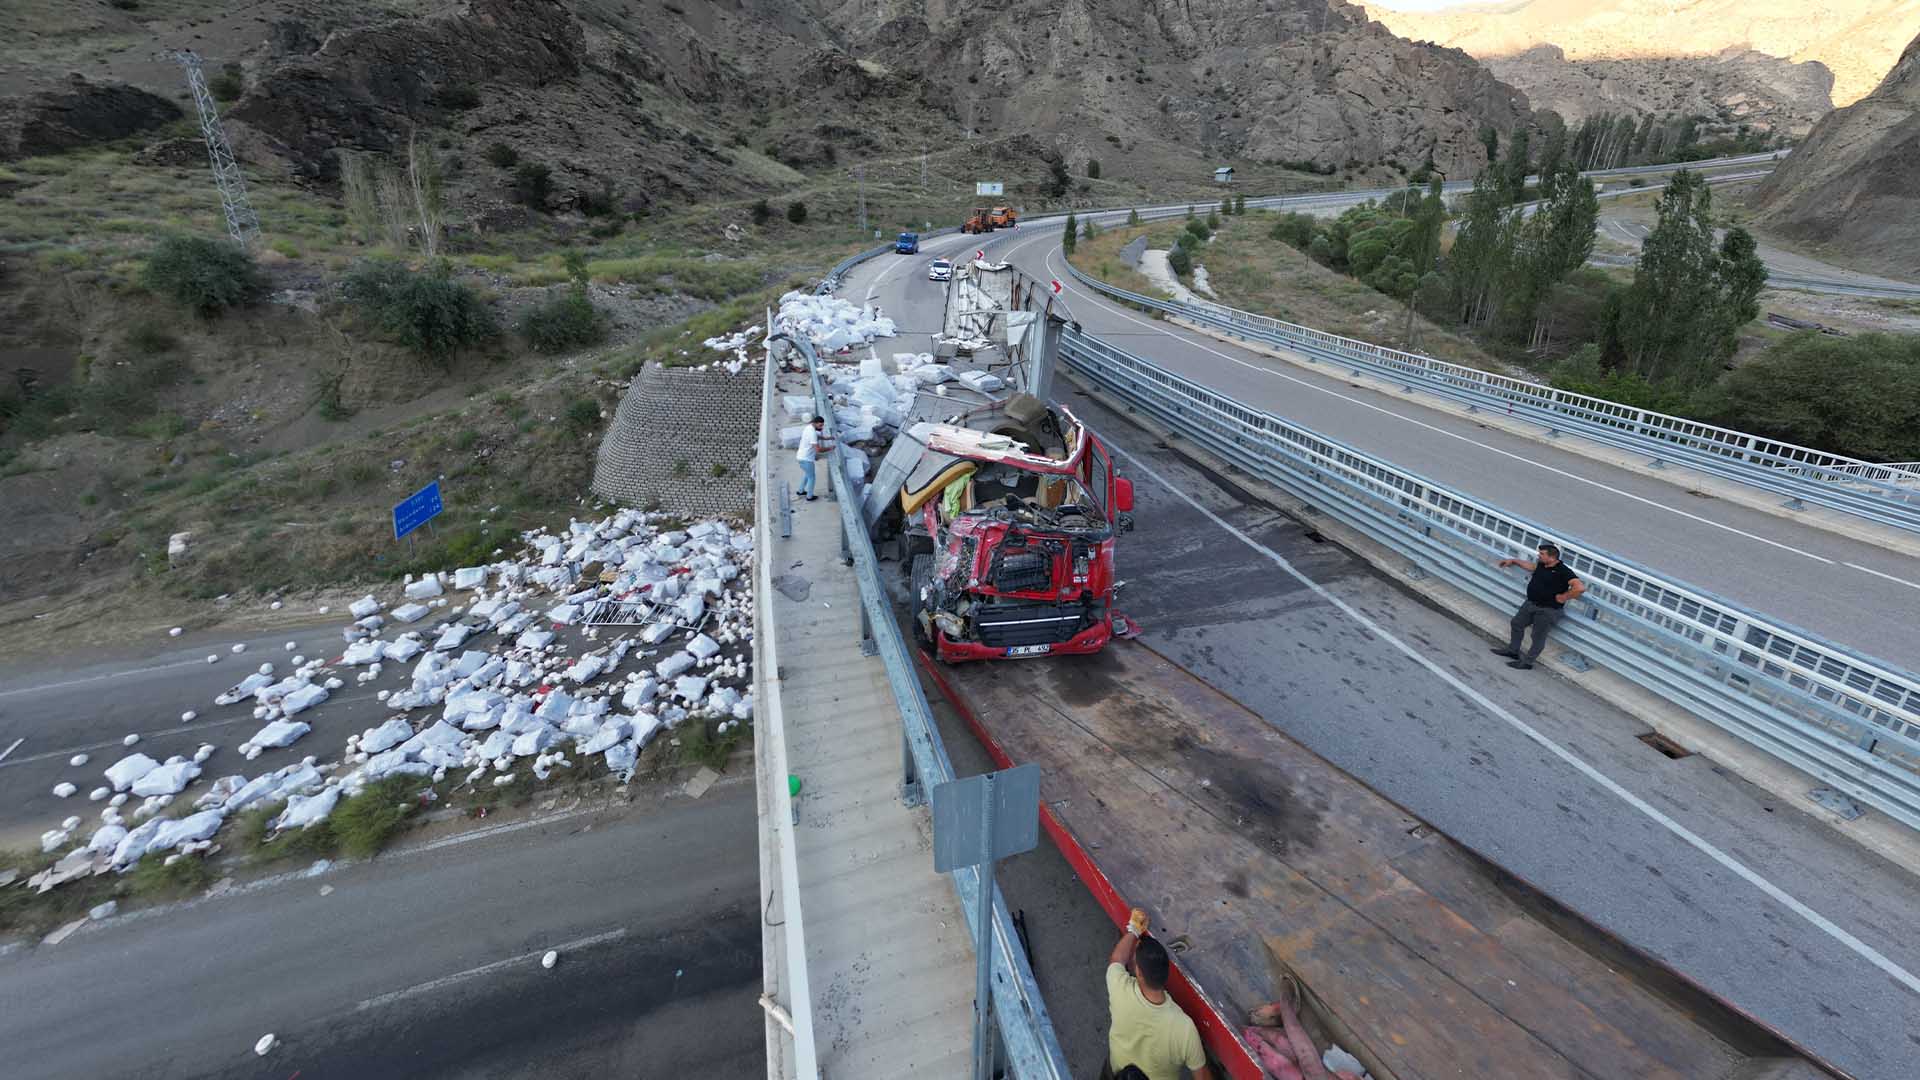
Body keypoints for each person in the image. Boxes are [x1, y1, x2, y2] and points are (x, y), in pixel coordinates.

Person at [1104, 912, 1212, 1080]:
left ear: (1138, 972)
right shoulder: (1184, 1028)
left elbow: (1116, 959)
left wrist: (1134, 929)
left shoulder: (1119, 988)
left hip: (1115, 1073)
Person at [1492, 542, 1585, 670]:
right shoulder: (1542, 564)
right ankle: (1513, 651)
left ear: (1552, 557)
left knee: (1537, 637)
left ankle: (1527, 663)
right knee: (1517, 623)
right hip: (1531, 603)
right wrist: (1514, 561)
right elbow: (1532, 566)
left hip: (1547, 610)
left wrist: (1564, 597)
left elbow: (1579, 588)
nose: (1538, 555)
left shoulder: (1563, 571)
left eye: (1541, 554)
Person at [796, 415, 832, 502]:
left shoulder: (809, 427)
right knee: (812, 477)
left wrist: (826, 438)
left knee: (807, 474)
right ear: (815, 423)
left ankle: (800, 491)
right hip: (806, 459)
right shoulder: (812, 433)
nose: (822, 427)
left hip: (800, 457)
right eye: (820, 425)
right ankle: (809, 496)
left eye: (822, 425)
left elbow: (816, 437)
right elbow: (818, 449)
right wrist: (830, 448)